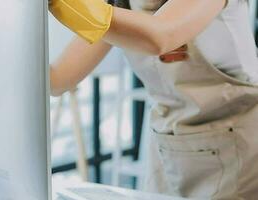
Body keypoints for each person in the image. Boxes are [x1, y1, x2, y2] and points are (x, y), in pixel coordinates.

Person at [49, 0, 258, 199]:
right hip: (169, 147)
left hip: (237, 147)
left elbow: (161, 36)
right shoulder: (121, 4)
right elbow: (59, 79)